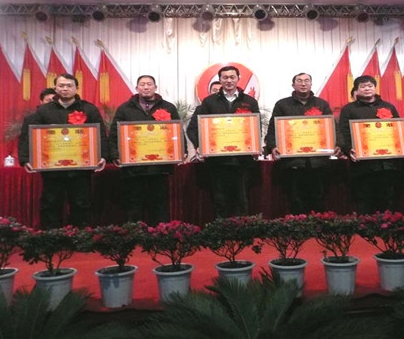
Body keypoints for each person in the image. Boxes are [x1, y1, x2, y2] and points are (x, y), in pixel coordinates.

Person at [18, 74, 107, 229]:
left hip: (81, 168)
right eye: (61, 86)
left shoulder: (89, 109)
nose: (65, 89)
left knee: (81, 203)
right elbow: (28, 136)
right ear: (55, 88)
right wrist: (26, 159)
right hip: (52, 168)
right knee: (50, 203)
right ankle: (52, 236)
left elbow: (101, 135)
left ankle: (81, 236)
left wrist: (103, 156)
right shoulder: (43, 111)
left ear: (77, 88)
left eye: (69, 86)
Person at [187, 65, 260, 217]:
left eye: (232, 77)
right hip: (217, 161)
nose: (229, 80)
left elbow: (256, 127)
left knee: (242, 199)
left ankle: (242, 229)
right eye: (225, 77)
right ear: (220, 80)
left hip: (242, 161)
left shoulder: (250, 102)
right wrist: (200, 146)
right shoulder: (209, 102)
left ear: (238, 79)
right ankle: (221, 229)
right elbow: (194, 128)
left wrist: (254, 145)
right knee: (219, 199)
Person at [109, 75, 181, 224]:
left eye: (149, 84)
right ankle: (134, 232)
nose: (146, 87)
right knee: (133, 202)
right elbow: (114, 133)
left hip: (159, 167)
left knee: (160, 203)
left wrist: (181, 151)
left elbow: (178, 132)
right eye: (142, 84)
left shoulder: (168, 107)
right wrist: (115, 154)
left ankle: (161, 232)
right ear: (137, 88)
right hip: (133, 168)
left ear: (155, 87)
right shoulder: (125, 108)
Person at [265, 73, 335, 214]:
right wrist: (272, 147)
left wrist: (338, 145)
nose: (303, 84)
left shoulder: (322, 104)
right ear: (293, 85)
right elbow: (273, 129)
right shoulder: (282, 105)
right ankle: (298, 225)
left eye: (306, 81)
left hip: (318, 161)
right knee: (295, 198)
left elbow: (332, 128)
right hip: (293, 161)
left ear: (311, 84)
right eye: (299, 81)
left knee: (318, 196)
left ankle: (318, 225)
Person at [337, 75, 400, 214]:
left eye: (370, 86)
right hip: (362, 164)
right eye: (363, 86)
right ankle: (364, 225)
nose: (367, 89)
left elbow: (398, 130)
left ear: (375, 88)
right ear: (356, 90)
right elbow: (343, 132)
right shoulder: (349, 109)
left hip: (386, 163)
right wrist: (348, 150)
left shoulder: (388, 107)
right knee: (364, 198)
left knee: (387, 197)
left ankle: (387, 223)